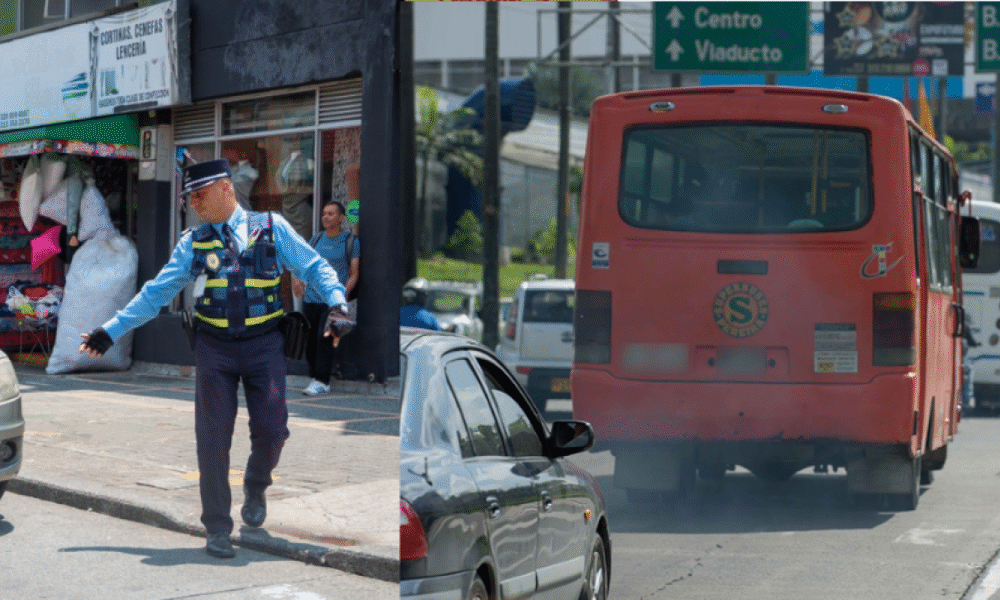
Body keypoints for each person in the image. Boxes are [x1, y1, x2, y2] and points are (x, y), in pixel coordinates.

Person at [78, 158, 352, 560]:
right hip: (214, 349)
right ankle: (218, 528)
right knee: (211, 441)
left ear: (226, 189)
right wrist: (111, 331)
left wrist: (338, 305)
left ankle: (256, 485)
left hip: (264, 346)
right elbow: (156, 293)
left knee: (274, 430)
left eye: (200, 195)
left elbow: (314, 266)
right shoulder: (193, 242)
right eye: (190, 197)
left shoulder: (272, 227)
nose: (194, 204)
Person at [294, 201, 360, 394]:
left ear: (341, 218)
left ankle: (321, 380)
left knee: (324, 339)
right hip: (311, 298)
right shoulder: (315, 240)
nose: (325, 217)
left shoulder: (351, 242)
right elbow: (301, 262)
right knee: (310, 341)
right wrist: (297, 280)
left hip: (332, 300)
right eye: (324, 213)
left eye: (331, 214)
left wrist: (342, 296)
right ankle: (316, 377)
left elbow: (354, 273)